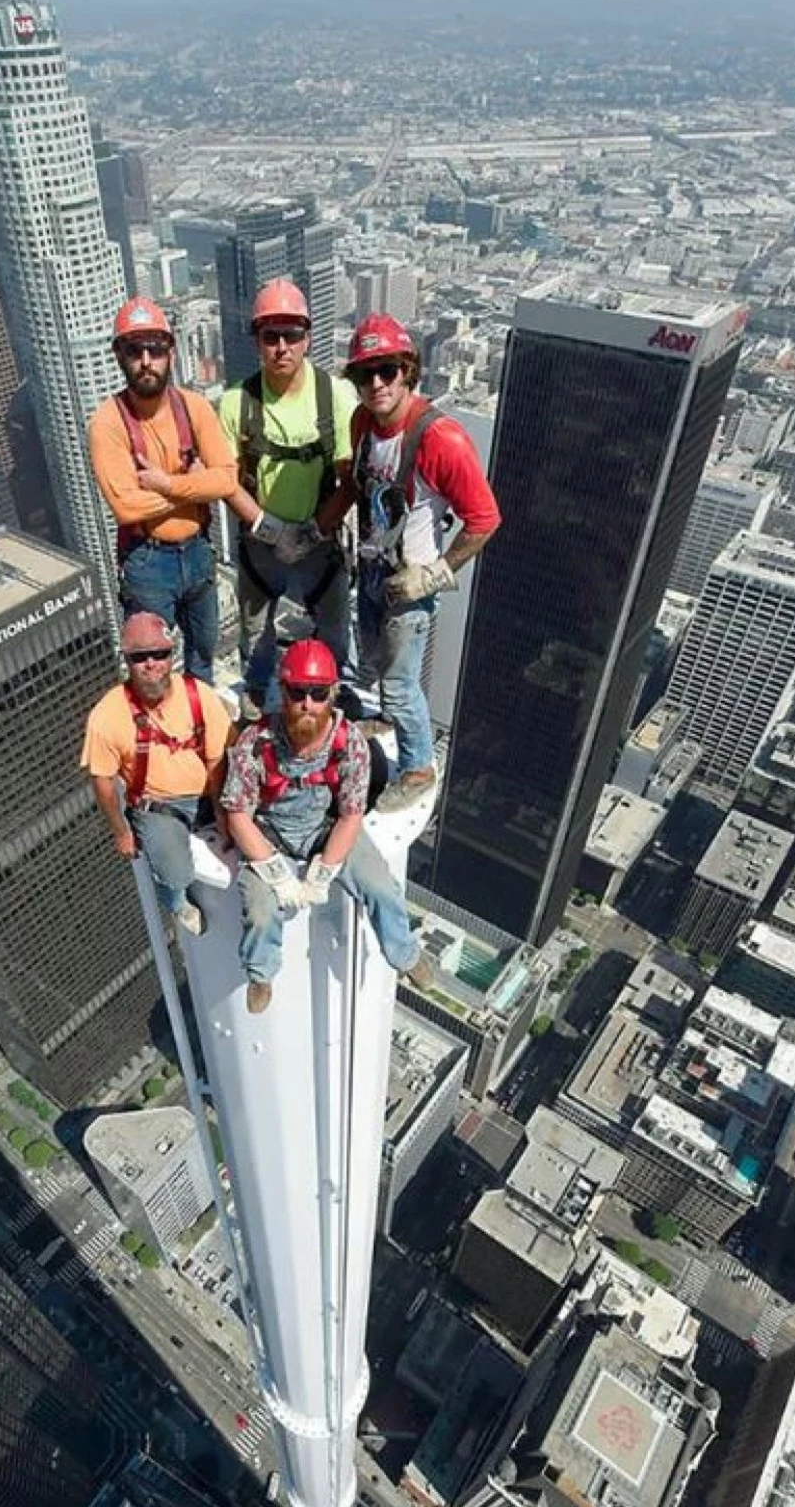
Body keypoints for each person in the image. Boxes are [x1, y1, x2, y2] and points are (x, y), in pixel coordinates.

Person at [221, 638, 435, 1014]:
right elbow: (238, 814)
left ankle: (405, 955)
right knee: (259, 910)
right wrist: (273, 870)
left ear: (332, 693)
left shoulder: (348, 742)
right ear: (283, 691)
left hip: (326, 827)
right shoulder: (257, 743)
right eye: (298, 692)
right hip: (270, 833)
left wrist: (324, 871)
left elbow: (352, 814)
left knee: (381, 887)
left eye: (318, 694)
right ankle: (261, 973)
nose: (307, 704)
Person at [341, 314, 501, 810]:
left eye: (386, 370)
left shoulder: (440, 438)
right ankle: (389, 722)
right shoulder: (362, 423)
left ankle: (417, 768)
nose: (376, 384)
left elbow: (485, 518)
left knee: (400, 683)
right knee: (376, 662)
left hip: (411, 582)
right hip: (373, 570)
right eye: (365, 374)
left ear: (407, 369)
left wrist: (434, 574)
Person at [219, 279, 357, 718]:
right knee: (255, 628)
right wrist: (267, 526)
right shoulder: (237, 403)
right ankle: (257, 690)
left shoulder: (334, 395)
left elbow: (350, 477)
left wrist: (317, 528)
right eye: (270, 336)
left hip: (320, 533)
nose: (281, 346)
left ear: (308, 337)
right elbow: (227, 480)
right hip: (262, 540)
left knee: (333, 625)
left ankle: (332, 687)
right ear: (257, 341)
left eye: (292, 335)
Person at [89, 297, 237, 681]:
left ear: (170, 351)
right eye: (134, 349)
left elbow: (226, 479)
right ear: (119, 356)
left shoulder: (195, 408)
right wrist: (195, 485)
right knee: (150, 669)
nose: (145, 360)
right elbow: (127, 507)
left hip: (199, 551)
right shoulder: (109, 423)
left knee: (204, 652)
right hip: (147, 561)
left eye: (154, 348)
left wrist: (166, 483)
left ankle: (198, 729)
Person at [82, 612, 234, 935]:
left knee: (250, 828)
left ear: (170, 654)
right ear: (128, 661)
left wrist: (222, 808)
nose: (151, 664)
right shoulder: (108, 716)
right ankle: (176, 900)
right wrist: (121, 832)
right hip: (159, 806)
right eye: (140, 658)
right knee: (176, 872)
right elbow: (103, 783)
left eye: (159, 654)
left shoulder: (197, 695)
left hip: (208, 791)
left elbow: (219, 758)